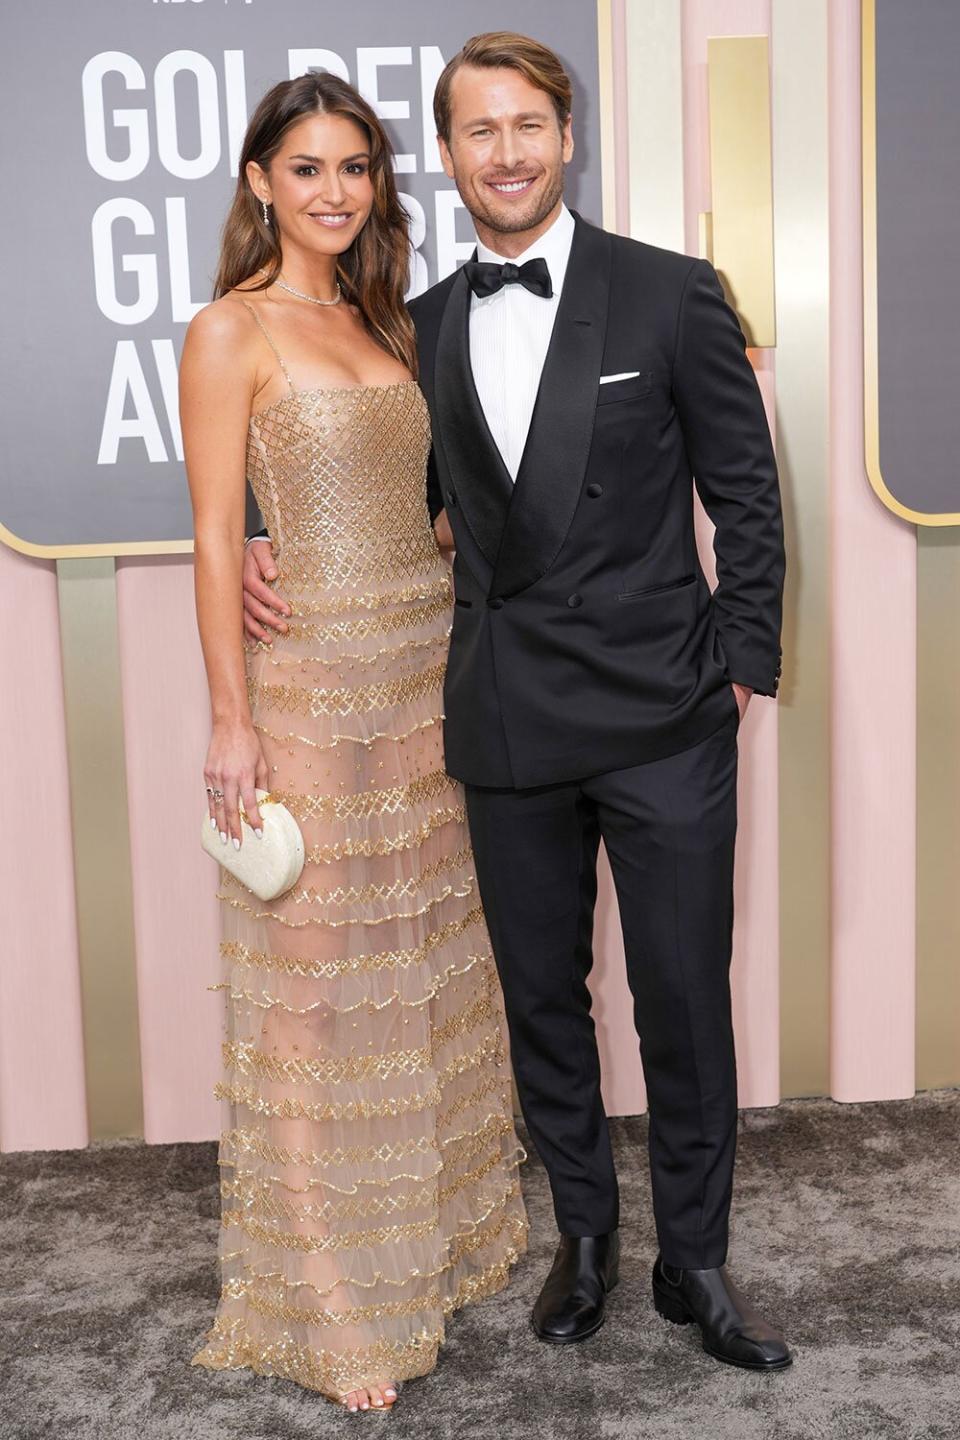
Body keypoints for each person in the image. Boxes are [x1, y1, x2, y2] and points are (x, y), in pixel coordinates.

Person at [245, 32, 791, 1372]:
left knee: (682, 999)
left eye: (528, 126)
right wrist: (262, 532)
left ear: (567, 136)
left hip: (666, 716)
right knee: (542, 1000)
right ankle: (588, 1241)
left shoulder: (668, 295)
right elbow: (342, 463)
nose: (506, 153)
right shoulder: (412, 328)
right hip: (503, 724)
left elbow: (750, 500)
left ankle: (698, 1263)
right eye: (479, 132)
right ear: (446, 155)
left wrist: (739, 665)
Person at [180, 71, 528, 1413]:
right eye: (307, 167)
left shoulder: (384, 318)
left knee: (428, 972)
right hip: (310, 689)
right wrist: (231, 716)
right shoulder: (230, 330)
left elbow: (417, 502)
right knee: (315, 1001)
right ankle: (332, 1307)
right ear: (261, 181)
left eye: (357, 168)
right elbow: (219, 534)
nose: (334, 191)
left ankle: (429, 1248)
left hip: (422, 677)